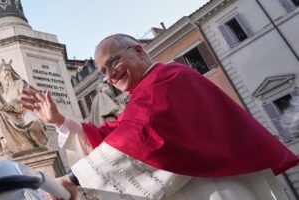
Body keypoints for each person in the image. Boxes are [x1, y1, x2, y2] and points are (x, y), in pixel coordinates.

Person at [20, 34, 299, 200]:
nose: (110, 75)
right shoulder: (145, 94)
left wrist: (73, 179)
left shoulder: (168, 79)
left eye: (113, 62)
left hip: (214, 190)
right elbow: (117, 133)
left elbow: (141, 135)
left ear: (139, 51)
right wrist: (60, 121)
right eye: (103, 72)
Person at [0, 59, 48, 157]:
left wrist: (13, 103)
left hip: (23, 111)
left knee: (34, 120)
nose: (8, 73)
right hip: (10, 116)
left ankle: (39, 144)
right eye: (5, 71)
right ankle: (6, 144)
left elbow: (25, 96)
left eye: (9, 70)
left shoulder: (19, 83)